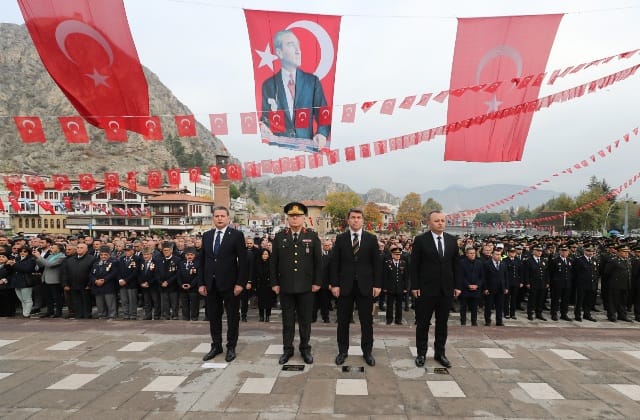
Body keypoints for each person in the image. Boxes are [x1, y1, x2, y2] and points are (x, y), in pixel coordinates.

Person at [270, 202, 322, 365]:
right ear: (287, 218)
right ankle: (287, 349)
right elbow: (273, 263)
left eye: (298, 216)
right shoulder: (280, 237)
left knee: (305, 320)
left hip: (306, 286)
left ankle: (305, 349)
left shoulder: (312, 236)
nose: (294, 219)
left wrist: (317, 282)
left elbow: (318, 262)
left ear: (303, 217)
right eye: (291, 216)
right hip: (285, 286)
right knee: (287, 321)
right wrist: (274, 282)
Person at [260, 29, 330, 150]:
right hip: (279, 150)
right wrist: (263, 126)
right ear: (279, 52)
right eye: (291, 45)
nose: (298, 51)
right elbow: (266, 118)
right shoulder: (269, 85)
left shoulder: (312, 82)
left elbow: (324, 115)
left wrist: (322, 134)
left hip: (306, 150)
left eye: (299, 45)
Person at [331, 208, 382, 367]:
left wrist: (378, 284)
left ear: (363, 220)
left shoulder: (371, 239)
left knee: (367, 322)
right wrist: (334, 284)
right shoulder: (340, 239)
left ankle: (367, 352)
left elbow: (377, 264)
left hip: (365, 286)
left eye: (358, 217)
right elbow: (335, 264)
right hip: (345, 287)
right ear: (348, 220)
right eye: (352, 217)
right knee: (343, 321)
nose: (355, 220)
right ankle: (342, 351)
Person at [410, 211, 461, 369]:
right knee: (423, 323)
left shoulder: (452, 240)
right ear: (429, 223)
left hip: (446, 290)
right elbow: (414, 266)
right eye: (437, 221)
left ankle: (440, 353)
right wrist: (415, 286)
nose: (440, 223)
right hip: (425, 289)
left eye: (443, 220)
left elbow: (456, 265)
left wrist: (457, 285)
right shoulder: (420, 240)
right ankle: (421, 353)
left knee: (442, 323)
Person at [199, 206, 248, 363]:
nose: (219, 218)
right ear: (213, 218)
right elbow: (202, 261)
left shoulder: (236, 235)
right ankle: (216, 345)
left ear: (228, 218)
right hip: (211, 284)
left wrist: (240, 283)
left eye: (222, 216)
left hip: (230, 284)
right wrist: (201, 283)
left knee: (233, 317)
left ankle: (231, 347)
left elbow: (244, 262)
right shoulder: (207, 236)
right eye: (216, 216)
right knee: (213, 317)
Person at [33, 243, 66, 318]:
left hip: (54, 280)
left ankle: (58, 312)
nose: (51, 249)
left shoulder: (62, 257)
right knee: (47, 297)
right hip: (45, 279)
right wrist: (37, 258)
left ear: (59, 249)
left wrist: (39, 257)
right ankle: (49, 311)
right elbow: (42, 265)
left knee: (57, 297)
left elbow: (49, 264)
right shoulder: (50, 255)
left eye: (53, 248)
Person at [382, 245, 409, 325]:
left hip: (400, 288)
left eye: (399, 254)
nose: (398, 256)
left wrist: (405, 287)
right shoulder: (388, 263)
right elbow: (385, 276)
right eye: (396, 254)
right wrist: (385, 287)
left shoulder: (403, 263)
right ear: (392, 255)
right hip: (390, 288)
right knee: (389, 304)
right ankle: (389, 319)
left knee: (399, 305)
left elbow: (406, 277)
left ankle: (398, 319)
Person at [90, 246, 119, 319]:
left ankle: (112, 315)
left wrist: (104, 280)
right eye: (101, 255)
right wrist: (95, 280)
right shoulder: (96, 262)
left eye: (105, 255)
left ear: (109, 255)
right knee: (100, 303)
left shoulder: (113, 262)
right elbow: (91, 273)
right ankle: (101, 315)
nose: (103, 256)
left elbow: (113, 273)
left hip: (108, 285)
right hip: (97, 286)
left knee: (110, 302)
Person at [522, 245, 550, 321]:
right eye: (538, 251)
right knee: (532, 299)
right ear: (533, 251)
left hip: (542, 283)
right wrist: (527, 282)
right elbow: (526, 273)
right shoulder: (529, 261)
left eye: (540, 251)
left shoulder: (543, 260)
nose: (539, 252)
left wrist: (547, 282)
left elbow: (546, 272)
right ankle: (530, 313)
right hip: (533, 282)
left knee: (541, 299)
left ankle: (539, 313)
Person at [573, 245, 599, 322]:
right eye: (588, 251)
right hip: (582, 284)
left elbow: (596, 272)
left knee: (589, 301)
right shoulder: (579, 260)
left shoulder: (594, 260)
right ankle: (577, 315)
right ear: (585, 251)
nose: (590, 253)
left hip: (591, 284)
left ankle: (587, 314)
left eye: (592, 251)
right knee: (579, 301)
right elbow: (575, 273)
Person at [458, 247, 484, 326]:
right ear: (466, 254)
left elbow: (482, 277)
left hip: (476, 289)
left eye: (474, 253)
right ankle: (463, 322)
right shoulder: (461, 263)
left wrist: (477, 285)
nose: (473, 255)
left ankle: (474, 322)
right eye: (471, 253)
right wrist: (468, 285)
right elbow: (460, 276)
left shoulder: (479, 263)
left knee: (474, 308)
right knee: (463, 307)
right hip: (465, 289)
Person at [483, 249, 508, 326]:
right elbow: (484, 277)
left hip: (500, 288)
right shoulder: (487, 264)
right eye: (496, 254)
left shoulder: (503, 264)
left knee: (500, 306)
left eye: (499, 254)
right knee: (488, 306)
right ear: (492, 255)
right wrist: (485, 288)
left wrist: (506, 287)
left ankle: (499, 321)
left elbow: (506, 277)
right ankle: (487, 320)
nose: (498, 256)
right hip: (490, 288)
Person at [549, 245, 574, 321]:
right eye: (563, 251)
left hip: (567, 283)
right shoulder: (555, 260)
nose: (564, 252)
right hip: (557, 284)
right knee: (555, 299)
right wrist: (552, 282)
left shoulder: (570, 260)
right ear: (560, 252)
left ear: (568, 252)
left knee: (565, 300)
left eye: (566, 251)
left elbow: (572, 272)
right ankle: (554, 313)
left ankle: (564, 314)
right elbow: (551, 273)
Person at [178, 246, 201, 321]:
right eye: (188, 255)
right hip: (183, 288)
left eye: (191, 255)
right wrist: (181, 284)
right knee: (184, 304)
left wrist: (191, 285)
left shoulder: (198, 264)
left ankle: (194, 317)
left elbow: (198, 276)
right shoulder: (181, 263)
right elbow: (178, 275)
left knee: (194, 304)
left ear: (194, 255)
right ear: (185, 255)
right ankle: (185, 317)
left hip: (193, 288)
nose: (189, 256)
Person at [118, 244, 140, 320]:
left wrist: (126, 280)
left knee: (132, 300)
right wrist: (120, 279)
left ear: (132, 251)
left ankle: (133, 315)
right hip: (122, 284)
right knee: (124, 300)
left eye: (128, 250)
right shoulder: (121, 259)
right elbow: (118, 271)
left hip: (131, 283)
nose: (126, 252)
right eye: (125, 251)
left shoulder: (137, 259)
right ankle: (125, 314)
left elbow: (135, 272)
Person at [255, 249, 274, 322]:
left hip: (268, 285)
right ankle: (261, 316)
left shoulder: (271, 263)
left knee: (269, 301)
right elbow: (255, 274)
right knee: (261, 302)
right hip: (260, 285)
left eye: (266, 254)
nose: (265, 256)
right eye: (263, 254)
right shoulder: (257, 263)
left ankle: (268, 316)